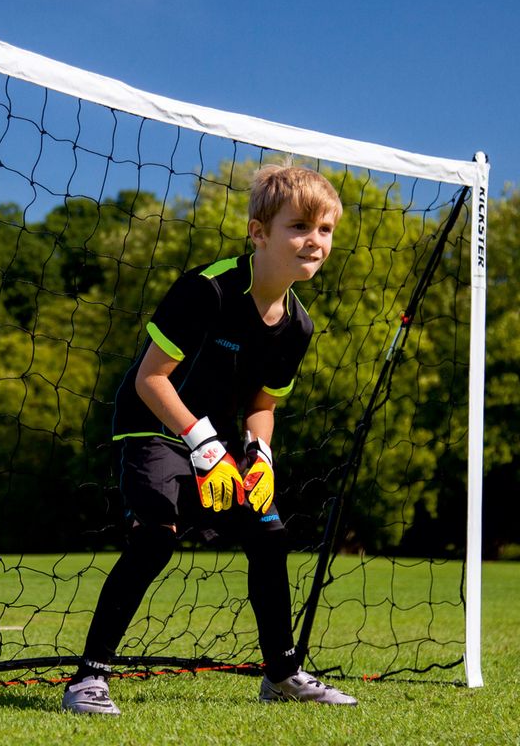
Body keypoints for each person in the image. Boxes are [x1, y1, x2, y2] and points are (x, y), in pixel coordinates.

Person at [61, 165, 358, 714]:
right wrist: (203, 443)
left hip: (218, 440)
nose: (314, 241)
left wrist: (259, 454)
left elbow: (262, 405)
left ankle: (282, 674)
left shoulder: (299, 326)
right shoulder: (208, 289)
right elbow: (150, 380)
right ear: (259, 233)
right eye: (299, 227)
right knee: (156, 535)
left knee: (269, 533)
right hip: (157, 423)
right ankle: (88, 678)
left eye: (325, 230)